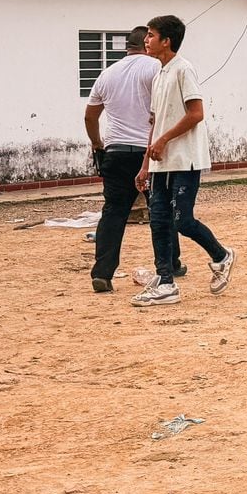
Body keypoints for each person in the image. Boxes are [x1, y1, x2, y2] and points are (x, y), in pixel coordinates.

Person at [130, 15, 236, 305]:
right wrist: (145, 164)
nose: (146, 40)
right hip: (161, 162)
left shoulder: (183, 70)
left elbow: (196, 114)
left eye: (151, 35)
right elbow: (156, 122)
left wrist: (165, 140)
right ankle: (165, 282)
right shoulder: (159, 74)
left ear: (167, 41)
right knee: (159, 221)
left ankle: (222, 255)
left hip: (185, 158)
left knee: (182, 221)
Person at [84, 26, 160, 293]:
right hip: (148, 153)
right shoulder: (154, 68)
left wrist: (98, 144)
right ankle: (170, 264)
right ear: (146, 44)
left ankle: (103, 273)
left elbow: (90, 116)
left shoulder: (107, 74)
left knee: (113, 213)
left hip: (115, 152)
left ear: (127, 45)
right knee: (159, 210)